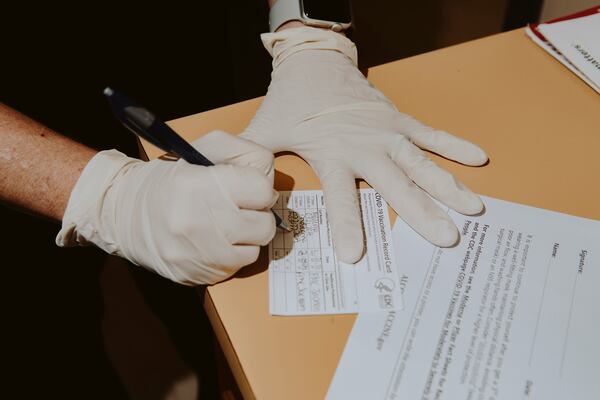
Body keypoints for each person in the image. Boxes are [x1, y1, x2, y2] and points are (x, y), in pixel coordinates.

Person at [1, 1, 487, 398]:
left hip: (174, 41)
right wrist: (105, 198)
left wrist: (309, 33)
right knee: (48, 344)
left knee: (212, 295)